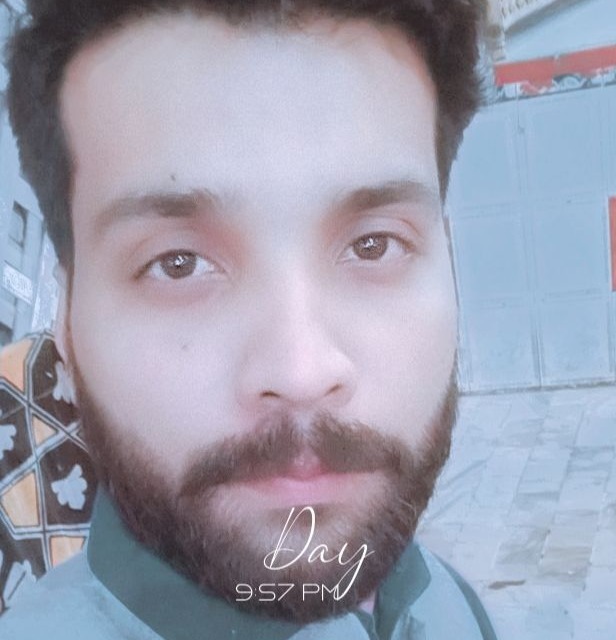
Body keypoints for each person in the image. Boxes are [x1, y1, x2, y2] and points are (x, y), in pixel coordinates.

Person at [0, 0, 497, 638]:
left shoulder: (448, 604)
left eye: (374, 245)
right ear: (66, 326)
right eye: (177, 263)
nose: (301, 373)